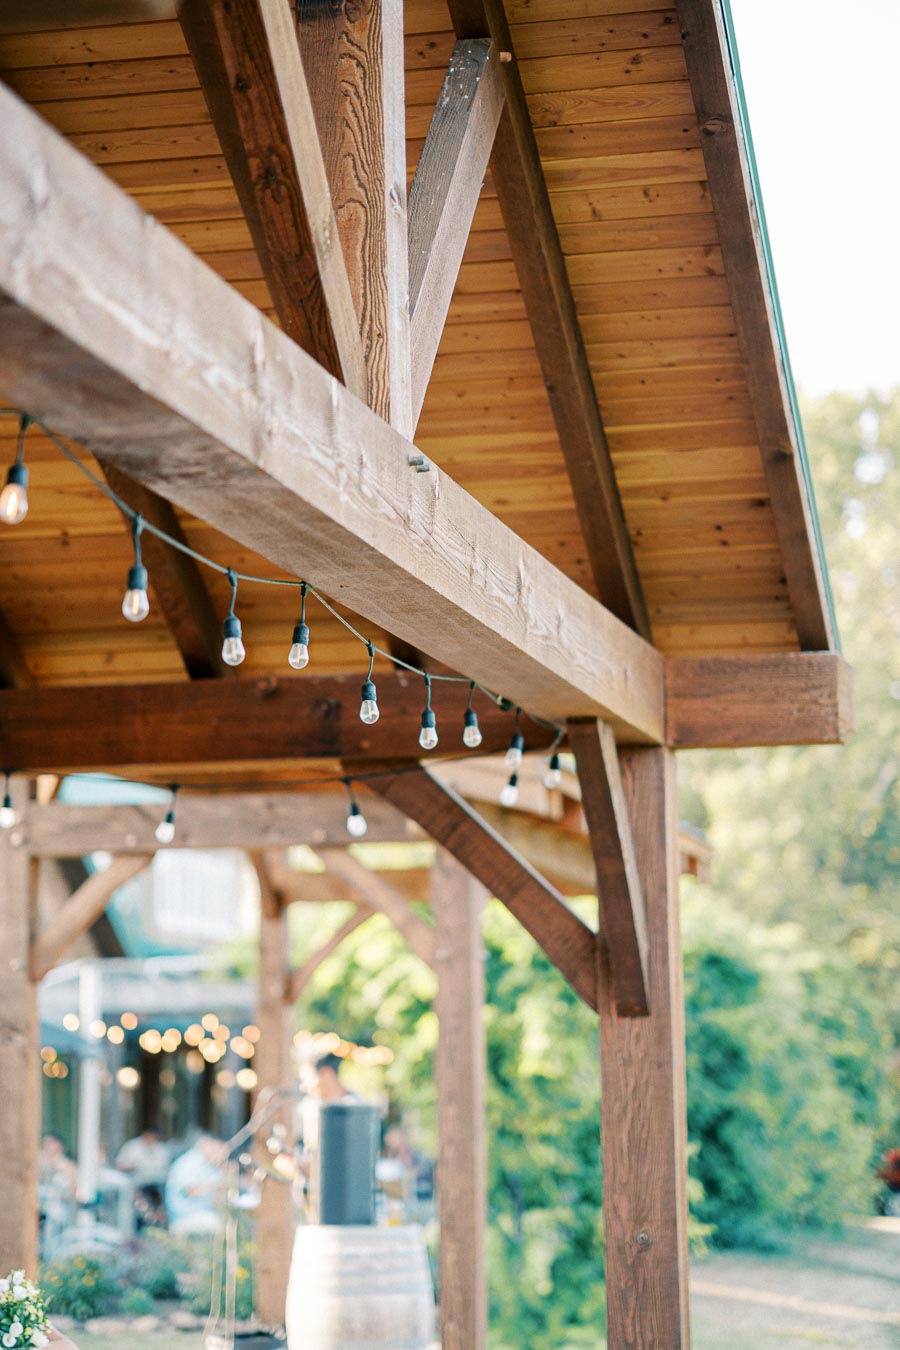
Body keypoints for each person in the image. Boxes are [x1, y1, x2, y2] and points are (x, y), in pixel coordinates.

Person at [164, 1135, 225, 1236]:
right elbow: (190, 1190)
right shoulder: (189, 1162)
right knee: (222, 1225)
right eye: (220, 1152)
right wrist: (219, 1186)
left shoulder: (208, 1164)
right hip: (184, 1216)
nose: (222, 1156)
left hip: (202, 1212)